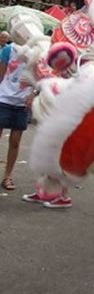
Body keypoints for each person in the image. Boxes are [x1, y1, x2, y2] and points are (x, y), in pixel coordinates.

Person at [0, 42, 34, 191]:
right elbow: (1, 75)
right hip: (3, 98)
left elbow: (41, 76)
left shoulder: (38, 51)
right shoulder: (9, 50)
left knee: (15, 142)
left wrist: (34, 94)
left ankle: (7, 176)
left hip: (22, 103)